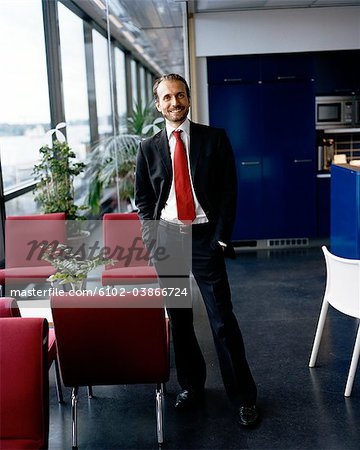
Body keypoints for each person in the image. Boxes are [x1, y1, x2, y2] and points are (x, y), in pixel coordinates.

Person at [135, 73, 259, 427]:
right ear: (158, 104)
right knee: (180, 320)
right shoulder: (148, 148)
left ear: (188, 99)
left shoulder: (213, 139)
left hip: (205, 238)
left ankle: (244, 396)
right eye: (167, 97)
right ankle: (192, 386)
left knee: (222, 320)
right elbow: (143, 199)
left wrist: (221, 238)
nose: (175, 102)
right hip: (168, 239)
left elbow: (228, 192)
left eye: (180, 95)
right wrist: (151, 235)